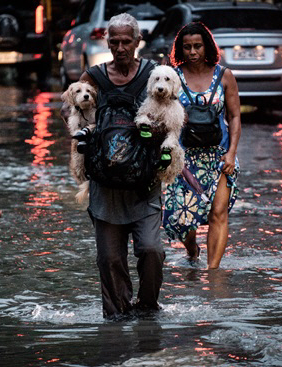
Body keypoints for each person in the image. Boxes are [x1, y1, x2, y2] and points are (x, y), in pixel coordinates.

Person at [78, 13, 165, 319]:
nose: (120, 47)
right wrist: (82, 127)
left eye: (126, 41)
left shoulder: (154, 74)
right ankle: (116, 325)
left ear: (137, 42)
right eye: (113, 41)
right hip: (106, 188)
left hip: (145, 183)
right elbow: (71, 105)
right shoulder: (95, 77)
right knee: (109, 260)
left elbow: (174, 109)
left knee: (152, 250)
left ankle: (147, 309)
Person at [163, 22, 242, 269]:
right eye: (187, 47)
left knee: (218, 213)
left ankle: (213, 274)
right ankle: (192, 249)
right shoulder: (172, 76)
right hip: (184, 158)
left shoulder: (224, 75)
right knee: (185, 220)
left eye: (198, 46)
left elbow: (235, 116)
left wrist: (231, 154)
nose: (193, 52)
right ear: (180, 49)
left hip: (220, 156)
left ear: (207, 46)